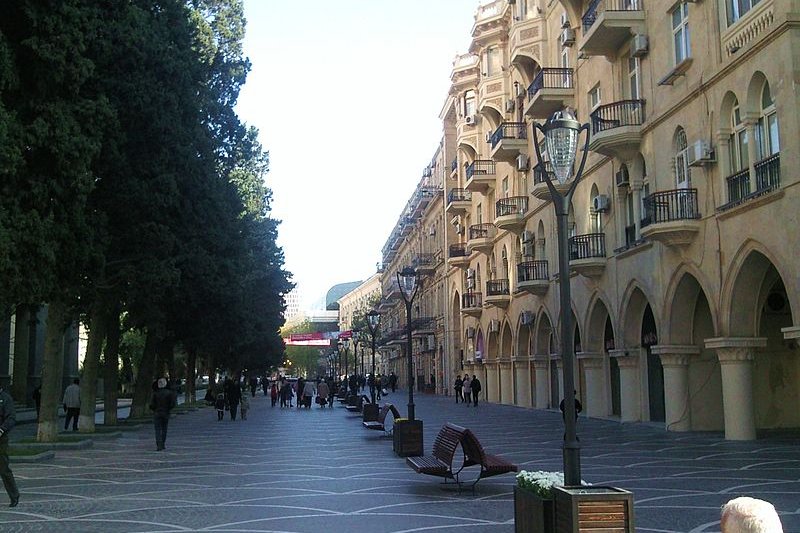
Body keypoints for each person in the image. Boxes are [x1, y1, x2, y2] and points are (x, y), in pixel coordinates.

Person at [0, 383, 20, 507]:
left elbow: (11, 418)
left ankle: (14, 495)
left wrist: (2, 429)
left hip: (1, 439)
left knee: (3, 469)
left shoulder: (5, 399)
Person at [149, 377, 176, 451]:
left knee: (157, 429)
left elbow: (151, 404)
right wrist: (168, 409)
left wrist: (154, 409)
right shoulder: (169, 393)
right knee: (164, 429)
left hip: (157, 413)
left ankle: (159, 444)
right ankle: (163, 444)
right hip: (166, 412)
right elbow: (172, 404)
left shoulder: (155, 393)